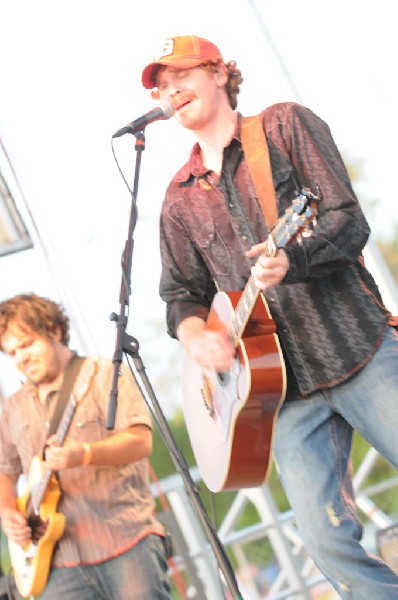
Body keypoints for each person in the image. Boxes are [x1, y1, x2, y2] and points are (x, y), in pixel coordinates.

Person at [140, 34, 398, 599]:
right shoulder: (177, 198)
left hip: (357, 349)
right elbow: (180, 294)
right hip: (279, 395)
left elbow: (347, 220)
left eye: (180, 75)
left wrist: (295, 257)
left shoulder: (283, 127)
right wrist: (195, 338)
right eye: (161, 85)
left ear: (217, 72)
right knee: (326, 542)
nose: (170, 90)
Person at [0, 293, 171, 600]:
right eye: (12, 352)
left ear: (53, 330)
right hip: (54, 563)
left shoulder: (103, 375)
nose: (21, 357)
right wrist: (6, 512)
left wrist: (85, 454)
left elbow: (140, 440)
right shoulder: (12, 409)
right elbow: (5, 471)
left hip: (125, 542)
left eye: (27, 344)